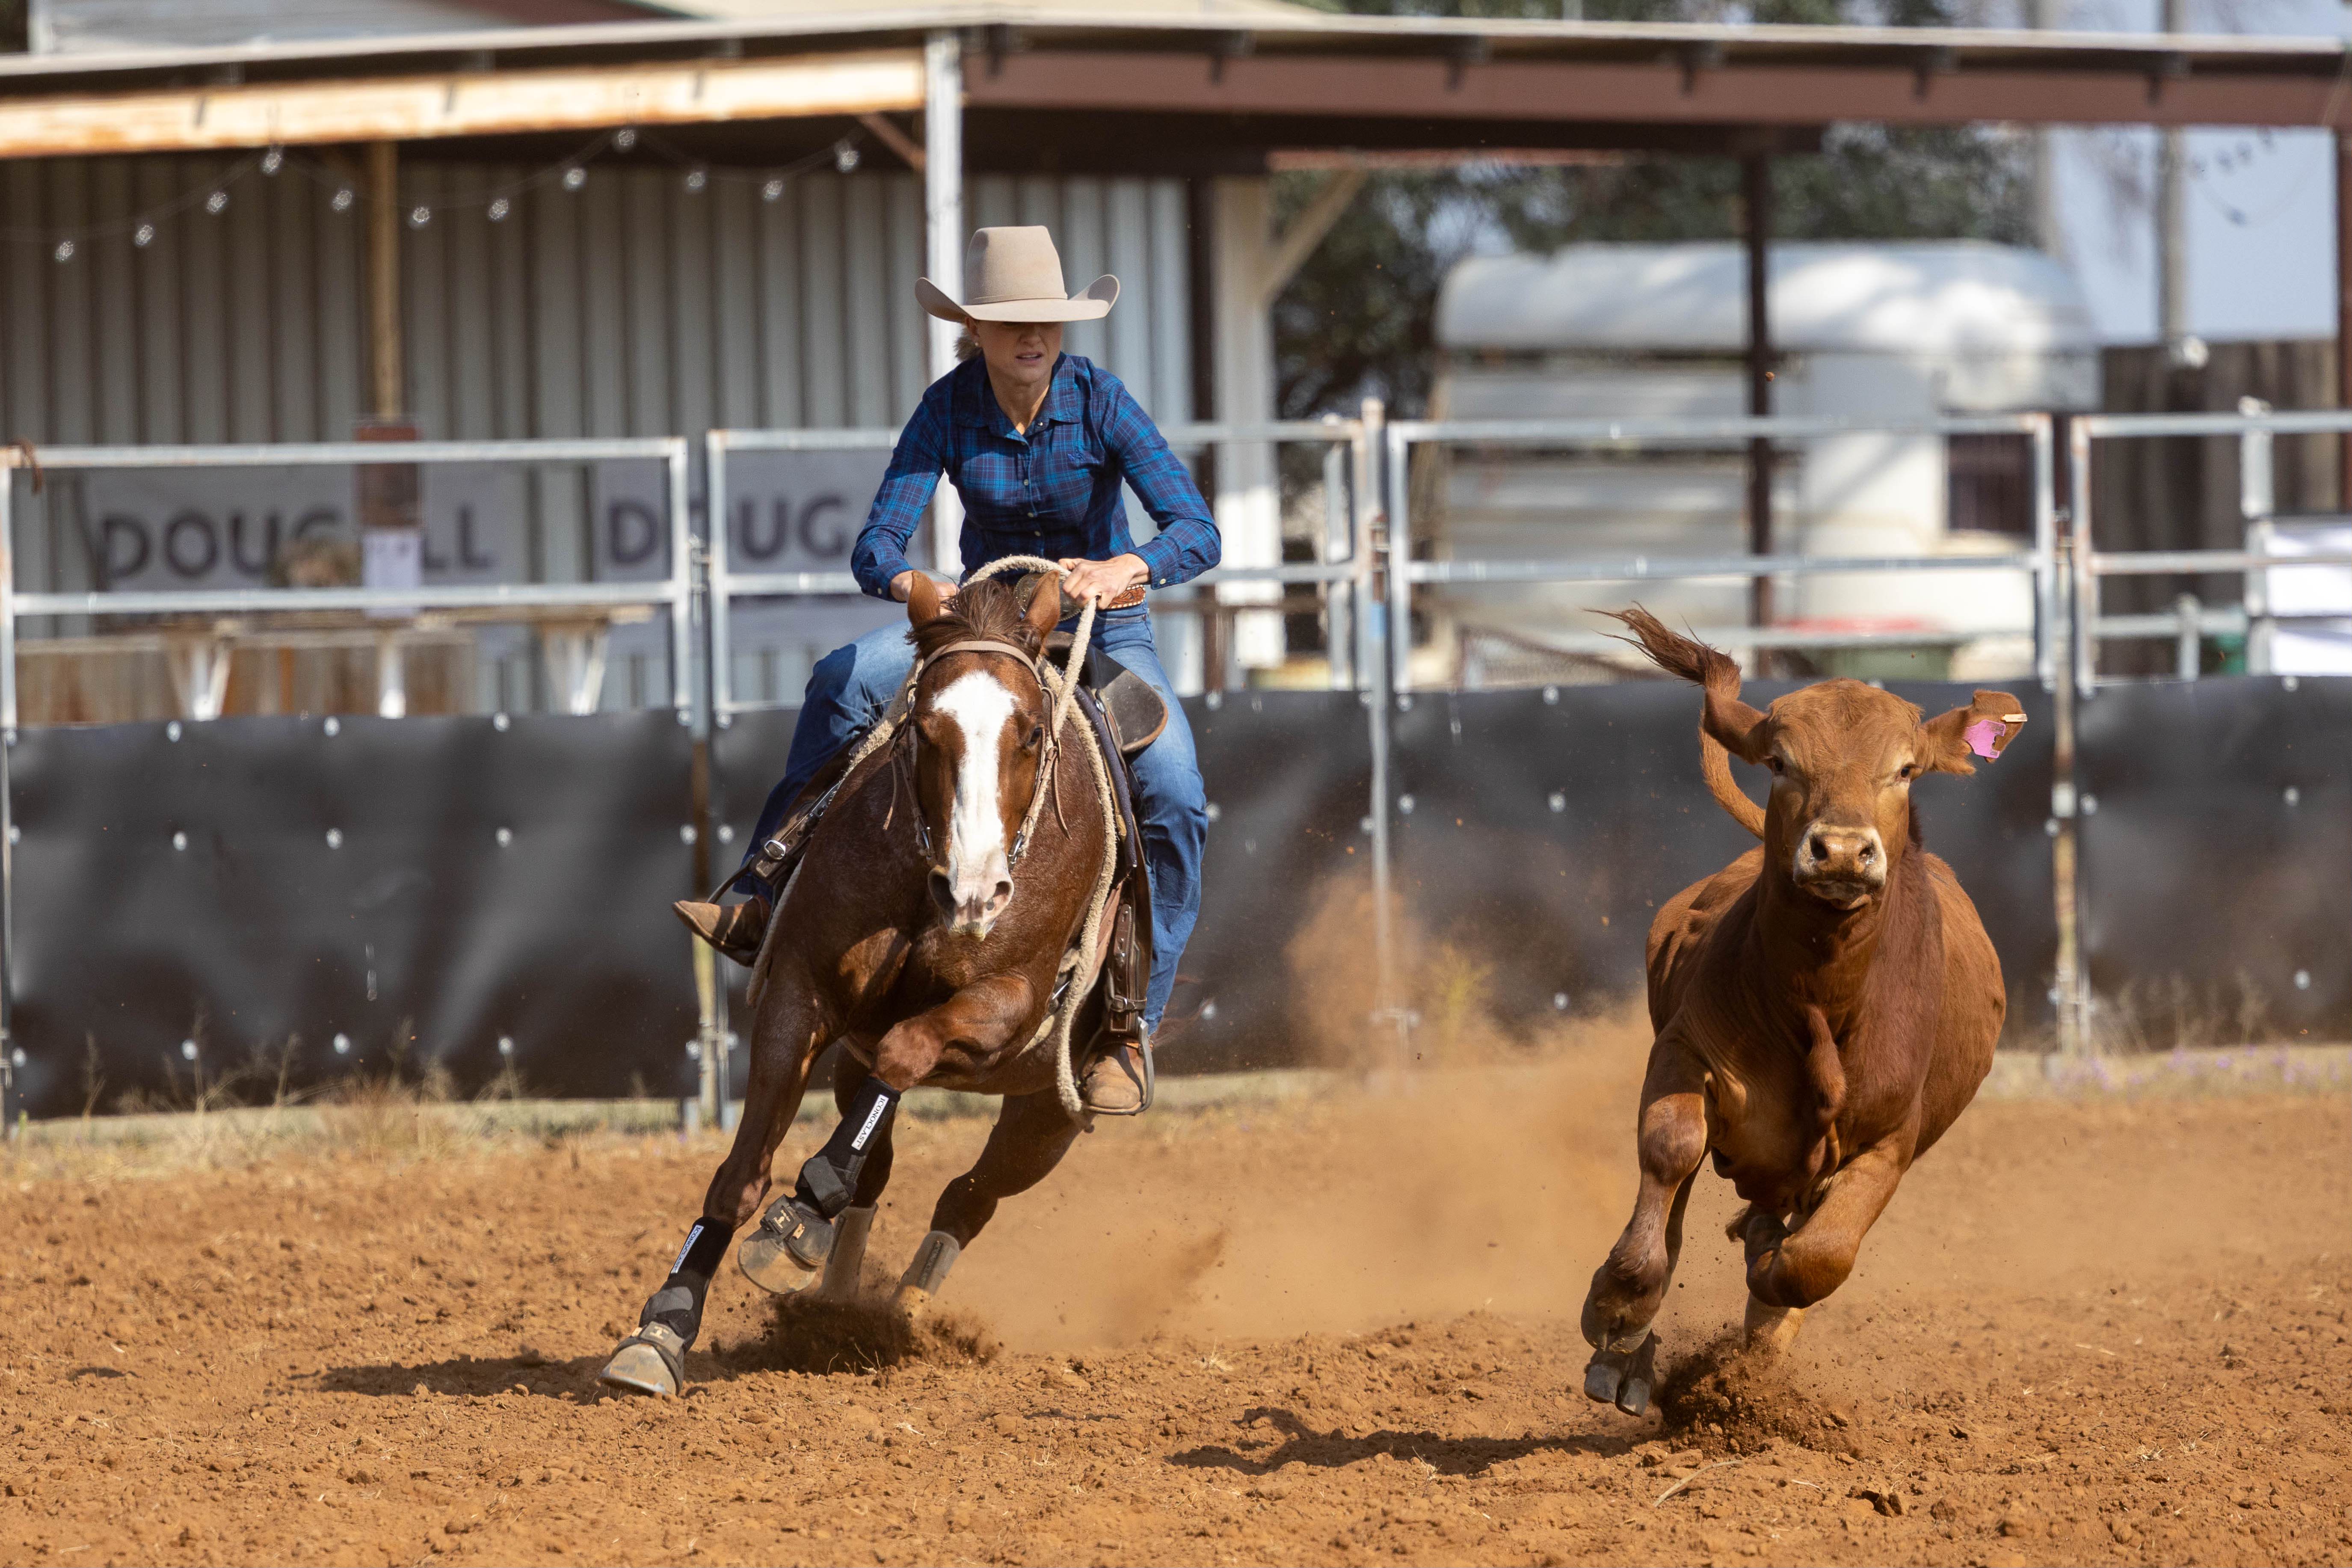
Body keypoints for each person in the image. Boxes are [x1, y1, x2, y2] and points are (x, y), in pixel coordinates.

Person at [675, 226, 1217, 1115]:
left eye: (1045, 319)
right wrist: (911, 584)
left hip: (1099, 628)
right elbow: (876, 543)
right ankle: (764, 888)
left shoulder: (1103, 400)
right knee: (844, 679)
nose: (1031, 335)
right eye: (1010, 321)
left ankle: (1128, 1026)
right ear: (975, 329)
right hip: (982, 624)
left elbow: (1197, 529)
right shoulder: (946, 408)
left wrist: (1129, 566)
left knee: (1175, 790)